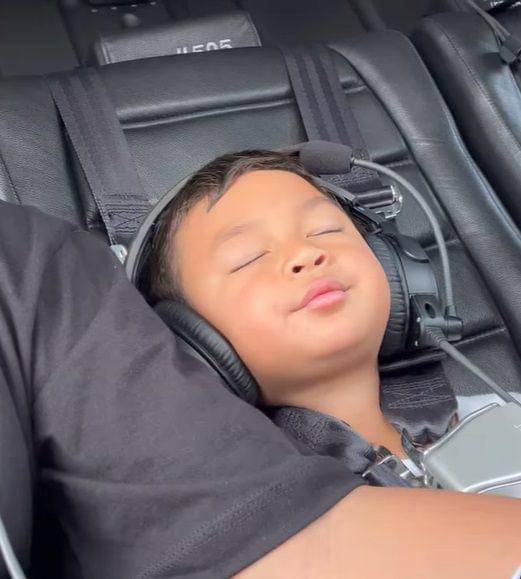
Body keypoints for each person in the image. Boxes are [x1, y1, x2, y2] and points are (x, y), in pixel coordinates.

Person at [147, 150, 521, 577]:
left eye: (326, 230)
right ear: (197, 343)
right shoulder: (258, 531)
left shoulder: (503, 412)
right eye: (248, 257)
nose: (307, 255)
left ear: (397, 273)